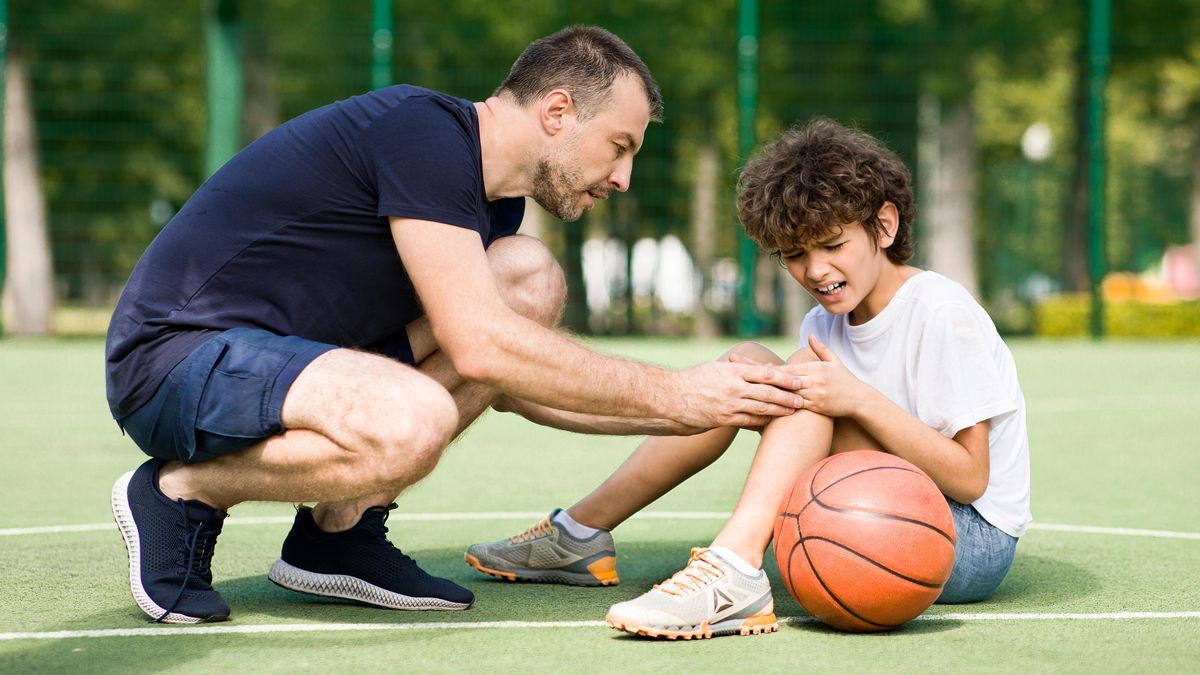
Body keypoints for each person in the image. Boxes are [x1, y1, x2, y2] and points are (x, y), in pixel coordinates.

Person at [105, 25, 807, 625]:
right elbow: (480, 344)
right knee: (414, 418)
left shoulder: (492, 206)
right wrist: (677, 392)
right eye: (619, 145)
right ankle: (182, 491)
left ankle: (336, 532)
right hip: (176, 358)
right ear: (558, 111)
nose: (623, 177)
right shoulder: (424, 134)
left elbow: (507, 378)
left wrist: (707, 411)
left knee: (527, 277)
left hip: (289, 360)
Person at [465, 118, 1031, 639]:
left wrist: (857, 401)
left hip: (964, 537)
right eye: (795, 255)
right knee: (747, 367)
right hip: (874, 504)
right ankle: (580, 534)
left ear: (883, 225)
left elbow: (970, 478)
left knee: (802, 392)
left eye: (834, 245)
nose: (816, 271)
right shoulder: (823, 323)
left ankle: (735, 570)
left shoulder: (938, 309)